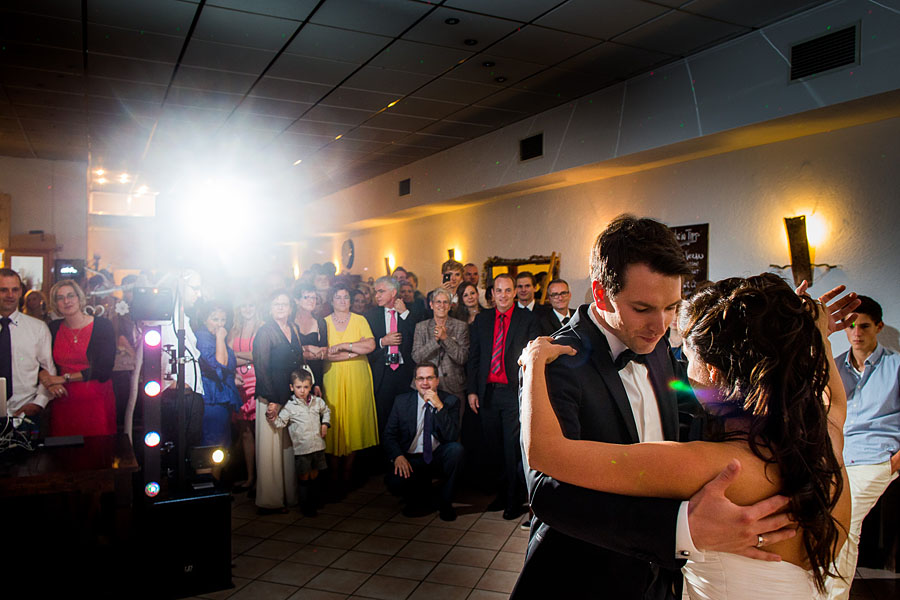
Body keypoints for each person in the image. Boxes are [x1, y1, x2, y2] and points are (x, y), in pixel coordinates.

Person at [511, 214, 854, 600]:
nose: (661, 327)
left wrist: (787, 338)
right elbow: (545, 491)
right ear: (602, 293)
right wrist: (679, 530)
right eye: (643, 308)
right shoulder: (559, 357)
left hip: (661, 580)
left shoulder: (659, 349)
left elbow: (706, 398)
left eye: (672, 307)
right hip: (584, 578)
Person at [826, 295, 900, 599]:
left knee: (846, 518)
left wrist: (897, 460)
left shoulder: (896, 365)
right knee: (816, 513)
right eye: (852, 325)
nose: (857, 332)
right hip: (837, 454)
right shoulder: (835, 366)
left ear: (879, 327)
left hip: (877, 456)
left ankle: (834, 596)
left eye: (865, 326)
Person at [467, 272, 539, 519]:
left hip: (512, 394)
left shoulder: (527, 319)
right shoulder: (482, 320)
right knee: (494, 448)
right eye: (499, 290)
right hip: (487, 394)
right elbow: (474, 358)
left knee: (511, 449)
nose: (504, 295)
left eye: (509, 290)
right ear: (492, 294)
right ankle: (500, 495)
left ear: (515, 292)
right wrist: (472, 391)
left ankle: (513, 499)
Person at [384, 363, 464, 521]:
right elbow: (389, 435)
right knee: (397, 486)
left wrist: (440, 406)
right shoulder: (402, 402)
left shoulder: (450, 401)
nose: (425, 383)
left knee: (456, 450)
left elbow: (452, 435)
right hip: (411, 458)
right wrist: (398, 456)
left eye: (429, 378)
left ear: (437, 381)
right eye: (420, 378)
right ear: (414, 382)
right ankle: (422, 495)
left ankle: (445, 503)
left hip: (436, 455)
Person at [41, 279, 117, 437]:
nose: (66, 301)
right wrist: (49, 383)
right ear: (55, 303)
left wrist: (62, 379)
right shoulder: (53, 328)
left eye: (71, 296)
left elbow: (104, 369)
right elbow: (41, 363)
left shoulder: (102, 325)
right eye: (60, 298)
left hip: (96, 401)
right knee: (64, 454)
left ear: (79, 298)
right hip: (63, 401)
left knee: (97, 452)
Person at [253, 289, 305, 514]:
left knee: (287, 447)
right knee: (270, 450)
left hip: (290, 396)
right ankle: (270, 500)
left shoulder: (293, 328)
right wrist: (272, 400)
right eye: (277, 304)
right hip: (271, 396)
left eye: (285, 304)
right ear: (269, 307)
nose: (281, 308)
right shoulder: (265, 332)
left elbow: (298, 361)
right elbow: (261, 369)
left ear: (291, 307)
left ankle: (289, 495)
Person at [323, 283, 378, 487]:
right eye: (338, 297)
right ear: (331, 300)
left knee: (353, 420)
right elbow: (325, 354)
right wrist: (354, 352)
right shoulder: (324, 322)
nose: (343, 301)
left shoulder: (360, 319)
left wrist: (344, 346)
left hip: (357, 376)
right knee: (335, 422)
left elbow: (370, 346)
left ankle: (347, 474)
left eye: (346, 297)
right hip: (333, 376)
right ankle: (333, 474)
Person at [0, 269, 57, 428]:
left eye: (15, 290)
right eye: (3, 290)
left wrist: (39, 403)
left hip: (26, 414)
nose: (10, 295)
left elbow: (48, 368)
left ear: (20, 292)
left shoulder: (37, 328)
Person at [271, 370, 331, 516]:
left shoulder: (317, 401)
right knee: (304, 476)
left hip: (317, 446)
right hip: (302, 449)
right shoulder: (290, 407)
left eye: (305, 387)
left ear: (310, 386)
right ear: (292, 387)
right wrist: (272, 418)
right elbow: (281, 423)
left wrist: (325, 424)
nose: (302, 391)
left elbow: (327, 410)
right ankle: (306, 506)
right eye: (298, 387)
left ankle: (315, 501)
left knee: (315, 474)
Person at [366, 276, 417, 438]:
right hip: (382, 373)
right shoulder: (370, 316)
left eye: (381, 291)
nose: (377, 296)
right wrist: (383, 342)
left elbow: (418, 337)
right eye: (376, 292)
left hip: (405, 372)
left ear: (394, 292)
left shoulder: (411, 312)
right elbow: (366, 348)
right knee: (383, 417)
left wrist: (404, 314)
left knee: (405, 418)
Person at [195, 301, 242, 448]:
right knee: (212, 445)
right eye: (215, 319)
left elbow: (227, 364)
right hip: (212, 398)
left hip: (221, 397)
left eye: (223, 320)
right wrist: (221, 338)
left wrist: (232, 376)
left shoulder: (213, 337)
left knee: (221, 444)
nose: (220, 324)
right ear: (204, 320)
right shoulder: (203, 337)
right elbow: (220, 363)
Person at [412, 288, 469, 402]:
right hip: (426, 386)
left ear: (449, 306)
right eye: (438, 302)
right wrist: (435, 341)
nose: (441, 305)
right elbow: (416, 357)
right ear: (431, 305)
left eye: (445, 302)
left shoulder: (461, 326)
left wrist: (445, 338)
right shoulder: (421, 327)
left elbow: (462, 358)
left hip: (454, 386)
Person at [229, 296, 261, 492]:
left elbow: (259, 355)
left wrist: (237, 357)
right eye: (244, 305)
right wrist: (247, 357)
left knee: (261, 433)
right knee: (246, 433)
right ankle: (250, 477)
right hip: (238, 383)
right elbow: (226, 356)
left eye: (251, 304)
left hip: (257, 381)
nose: (247, 308)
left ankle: (263, 478)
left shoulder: (262, 327)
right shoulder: (233, 329)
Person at [293, 284, 327, 397]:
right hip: (292, 374)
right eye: (306, 297)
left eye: (314, 297)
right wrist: (309, 348)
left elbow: (322, 353)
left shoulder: (320, 322)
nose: (311, 301)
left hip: (314, 376)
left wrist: (317, 383)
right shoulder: (290, 322)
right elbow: (288, 352)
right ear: (296, 300)